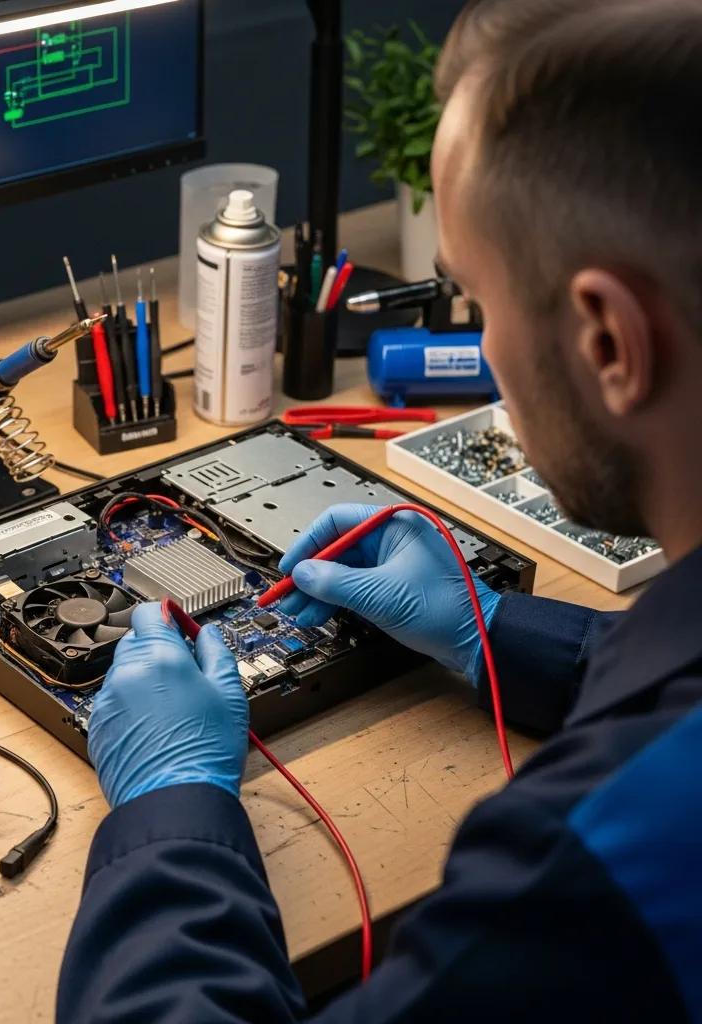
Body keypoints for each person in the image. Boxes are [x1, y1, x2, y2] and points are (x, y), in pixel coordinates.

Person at [58, 0, 702, 1019]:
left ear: (610, 343)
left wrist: (170, 809)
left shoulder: (583, 865)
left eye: (479, 302)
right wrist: (499, 633)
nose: (479, 353)